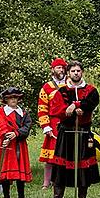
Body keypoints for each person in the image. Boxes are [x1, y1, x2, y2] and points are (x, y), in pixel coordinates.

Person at [48, 60, 100, 198]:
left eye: (78, 71)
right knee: (61, 166)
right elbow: (55, 109)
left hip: (83, 131)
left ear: (81, 72)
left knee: (83, 165)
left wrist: (76, 104)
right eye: (73, 71)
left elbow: (91, 103)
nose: (76, 73)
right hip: (67, 132)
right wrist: (68, 111)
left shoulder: (90, 90)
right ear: (68, 73)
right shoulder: (62, 91)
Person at [0, 87, 33, 198]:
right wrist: (6, 135)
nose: (13, 100)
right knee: (5, 174)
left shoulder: (24, 113)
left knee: (20, 173)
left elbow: (27, 126)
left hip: (20, 144)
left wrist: (16, 133)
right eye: (10, 98)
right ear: (6, 100)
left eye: (15, 97)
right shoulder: (1, 112)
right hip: (7, 145)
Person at [37, 58, 67, 189]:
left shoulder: (69, 84)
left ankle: (62, 181)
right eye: (58, 67)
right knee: (50, 155)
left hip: (67, 121)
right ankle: (46, 182)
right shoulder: (46, 87)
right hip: (53, 123)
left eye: (62, 67)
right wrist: (45, 126)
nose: (61, 70)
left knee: (66, 153)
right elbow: (42, 108)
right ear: (52, 69)